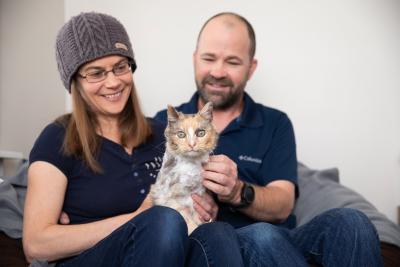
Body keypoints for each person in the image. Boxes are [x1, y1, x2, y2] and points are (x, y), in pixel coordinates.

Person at [154, 12, 384, 266]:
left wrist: (236, 191)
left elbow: (283, 205)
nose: (218, 71)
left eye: (232, 62)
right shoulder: (164, 125)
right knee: (261, 236)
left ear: (251, 68)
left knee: (353, 221)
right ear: (195, 59)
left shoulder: (275, 123)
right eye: (209, 58)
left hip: (285, 241)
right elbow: (148, 200)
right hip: (218, 245)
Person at [22, 12, 244, 267]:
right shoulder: (57, 138)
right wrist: (140, 218)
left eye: (120, 67)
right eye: (96, 73)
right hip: (91, 261)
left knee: (219, 232)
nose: (113, 81)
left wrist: (204, 206)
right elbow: (36, 245)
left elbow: (194, 195)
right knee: (163, 220)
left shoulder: (163, 133)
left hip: (169, 253)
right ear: (74, 82)